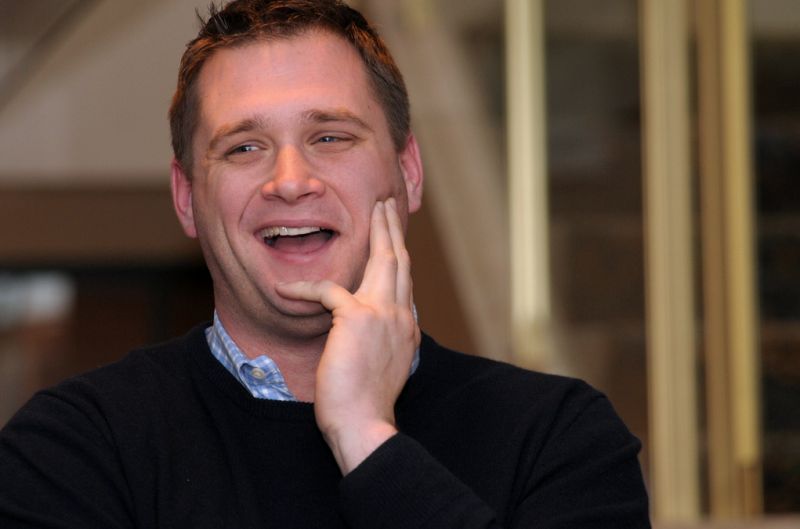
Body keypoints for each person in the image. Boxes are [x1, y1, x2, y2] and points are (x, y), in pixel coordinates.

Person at [0, 1, 651, 527]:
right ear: (186, 198)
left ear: (408, 172)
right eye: (244, 146)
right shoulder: (74, 450)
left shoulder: (559, 440)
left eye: (330, 136)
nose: (290, 181)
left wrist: (366, 437)